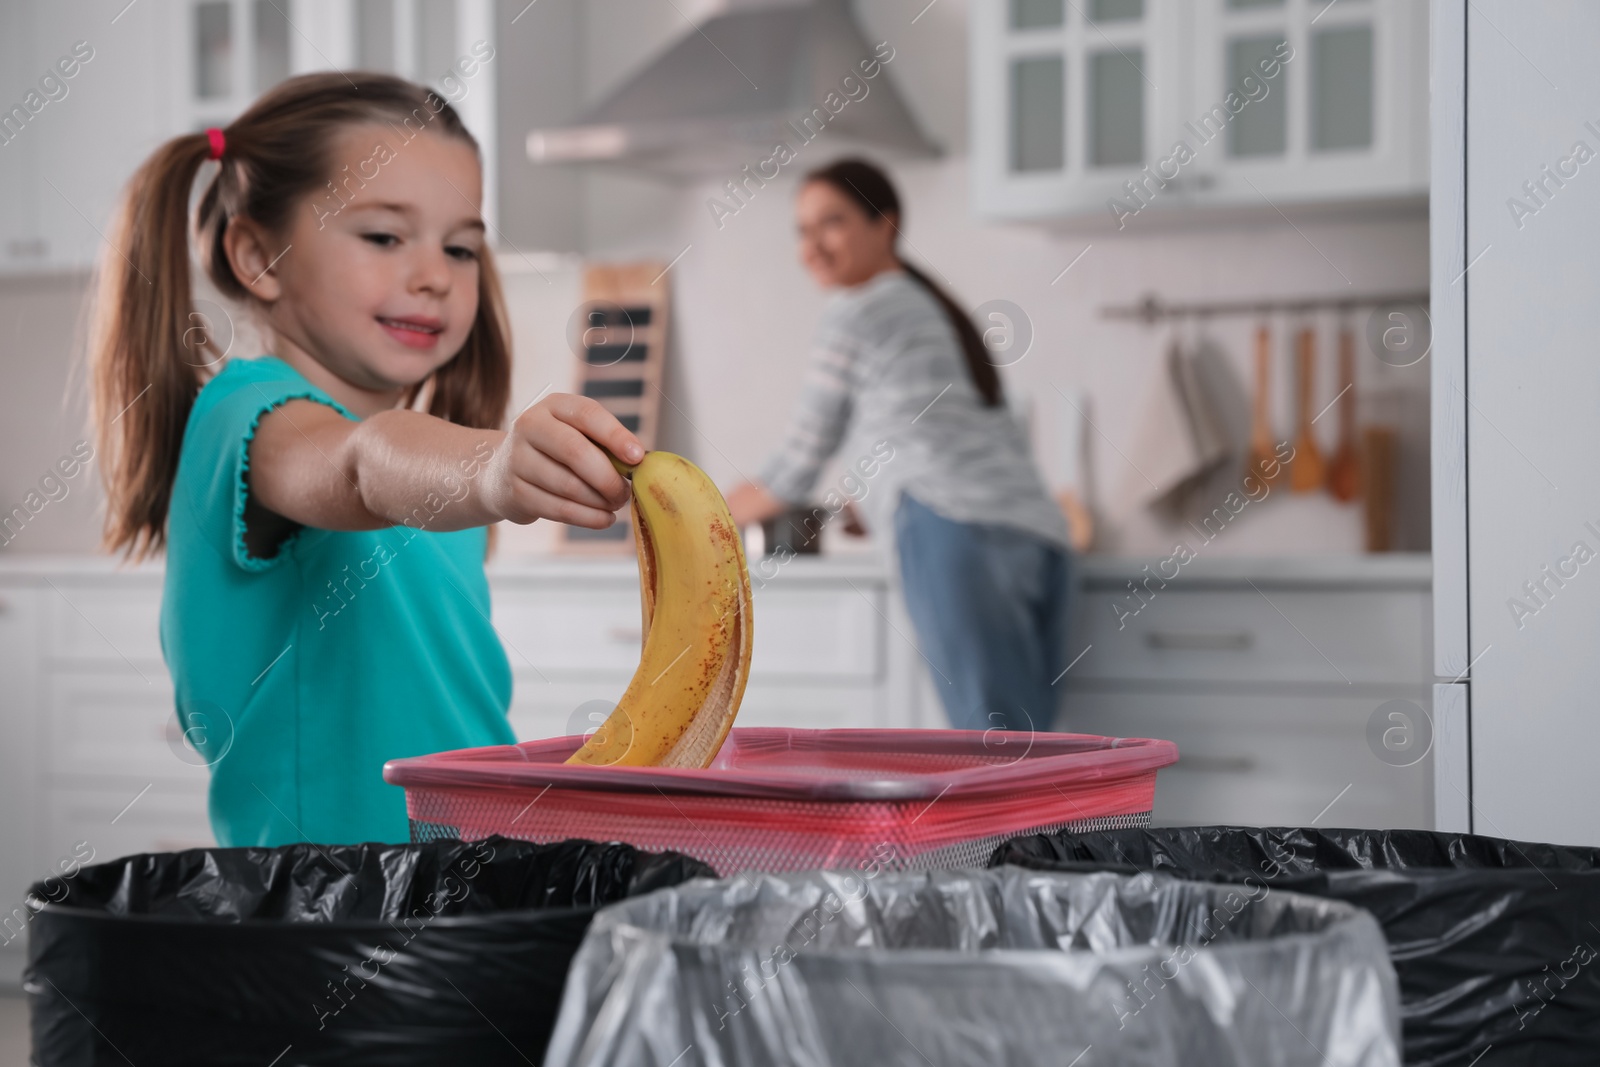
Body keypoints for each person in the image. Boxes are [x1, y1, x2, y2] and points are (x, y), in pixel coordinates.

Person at [89, 73, 643, 847]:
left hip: (450, 885)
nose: (433, 274)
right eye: (384, 236)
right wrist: (493, 468)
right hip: (327, 915)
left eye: (460, 247)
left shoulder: (431, 452)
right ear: (258, 254)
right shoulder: (247, 416)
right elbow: (359, 464)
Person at [726, 159, 1072, 735]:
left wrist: (699, 512)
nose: (811, 246)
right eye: (802, 230)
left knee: (996, 755)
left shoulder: (856, 310)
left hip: (957, 532)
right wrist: (872, 498)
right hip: (1038, 537)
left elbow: (796, 466)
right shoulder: (927, 305)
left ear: (885, 225)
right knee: (1029, 750)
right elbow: (933, 426)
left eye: (831, 223)